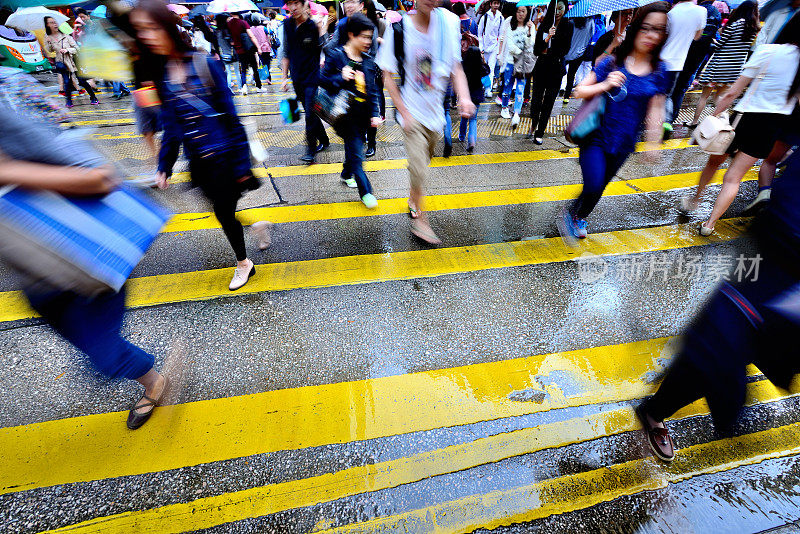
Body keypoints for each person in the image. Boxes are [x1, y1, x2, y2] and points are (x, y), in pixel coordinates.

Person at [0, 66, 168, 431]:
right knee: (93, 351)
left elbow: (99, 177)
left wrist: (9, 173)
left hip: (83, 251)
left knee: (103, 358)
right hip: (35, 268)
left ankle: (154, 379)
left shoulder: (7, 97)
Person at [637, 156, 800, 462]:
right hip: (779, 250)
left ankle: (670, 392)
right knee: (721, 346)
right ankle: (656, 408)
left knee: (736, 347)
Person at [132, 0, 271, 291]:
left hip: (225, 157)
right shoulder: (163, 75)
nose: (145, 36)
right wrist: (164, 166)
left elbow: (232, 119)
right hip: (199, 161)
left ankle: (244, 264)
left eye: (150, 28)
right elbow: (171, 126)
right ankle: (256, 227)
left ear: (167, 28)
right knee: (222, 209)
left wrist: (242, 166)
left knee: (222, 211)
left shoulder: (205, 63)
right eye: (140, 31)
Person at [558, 2, 670, 245]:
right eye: (647, 28)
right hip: (596, 135)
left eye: (659, 30)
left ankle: (579, 215)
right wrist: (606, 84)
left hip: (624, 143)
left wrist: (654, 142)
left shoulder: (659, 71)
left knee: (599, 189)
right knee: (594, 182)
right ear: (636, 28)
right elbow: (579, 91)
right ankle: (570, 212)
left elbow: (657, 109)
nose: (652, 35)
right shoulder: (613, 62)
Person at [680, 25, 800, 236]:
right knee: (734, 178)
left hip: (745, 118)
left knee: (713, 163)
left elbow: (732, 92)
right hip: (772, 127)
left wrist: (715, 115)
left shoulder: (769, 51)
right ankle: (709, 224)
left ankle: (695, 200)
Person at [377, 0, 475, 244]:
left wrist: (464, 97)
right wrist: (403, 111)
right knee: (419, 168)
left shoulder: (449, 23)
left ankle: (413, 198)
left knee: (424, 162)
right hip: (412, 114)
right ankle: (420, 220)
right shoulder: (399, 27)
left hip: (436, 116)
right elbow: (387, 76)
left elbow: (456, 68)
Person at [320, 14, 382, 208]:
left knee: (354, 149)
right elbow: (322, 81)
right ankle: (366, 192)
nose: (367, 41)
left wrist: (375, 112)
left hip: (362, 115)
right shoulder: (337, 55)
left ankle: (346, 173)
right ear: (351, 35)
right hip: (345, 116)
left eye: (369, 37)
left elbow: (372, 90)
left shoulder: (368, 61)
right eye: (363, 36)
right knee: (357, 153)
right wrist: (340, 77)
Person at [686, 1, 759, 127]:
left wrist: (716, 37)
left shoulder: (734, 25)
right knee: (720, 97)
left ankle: (694, 122)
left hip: (719, 66)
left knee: (704, 96)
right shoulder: (753, 28)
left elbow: (720, 44)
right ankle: (717, 123)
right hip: (734, 68)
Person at [280, 0, 331, 164]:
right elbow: (286, 52)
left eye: (296, 3)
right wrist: (283, 78)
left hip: (312, 77)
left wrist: (322, 28)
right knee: (310, 110)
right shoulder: (287, 24)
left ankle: (310, 149)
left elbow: (326, 48)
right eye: (290, 3)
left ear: (304, 5)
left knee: (309, 112)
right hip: (297, 77)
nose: (293, 7)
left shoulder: (312, 26)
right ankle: (324, 138)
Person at [527, 0, 573, 145]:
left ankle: (539, 132)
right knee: (536, 102)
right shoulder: (544, 25)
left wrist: (555, 40)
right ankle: (534, 121)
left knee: (549, 102)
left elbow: (565, 50)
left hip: (556, 68)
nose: (558, 12)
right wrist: (547, 37)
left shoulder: (568, 26)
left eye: (561, 9)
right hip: (541, 67)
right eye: (556, 9)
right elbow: (536, 50)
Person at [668, 0, 721, 121]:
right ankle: (671, 119)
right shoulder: (714, 13)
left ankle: (665, 116)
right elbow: (705, 35)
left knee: (670, 88)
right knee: (681, 88)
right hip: (697, 57)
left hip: (682, 54)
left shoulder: (691, 10)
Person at [660, 0, 706, 129]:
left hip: (661, 59)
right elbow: (697, 36)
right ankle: (667, 121)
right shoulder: (701, 11)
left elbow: (664, 36)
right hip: (677, 62)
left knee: (654, 92)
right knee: (668, 95)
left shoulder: (672, 12)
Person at [44, 16, 98, 108]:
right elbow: (49, 50)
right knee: (66, 81)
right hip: (62, 62)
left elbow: (76, 48)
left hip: (73, 60)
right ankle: (69, 100)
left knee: (81, 80)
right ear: (47, 25)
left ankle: (93, 97)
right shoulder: (48, 37)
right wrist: (48, 42)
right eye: (51, 22)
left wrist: (67, 50)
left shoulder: (66, 36)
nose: (55, 24)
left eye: (55, 22)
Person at [499, 5, 535, 128]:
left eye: (523, 11)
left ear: (527, 13)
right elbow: (509, 44)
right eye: (518, 11)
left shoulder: (531, 25)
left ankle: (516, 113)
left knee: (520, 88)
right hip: (511, 61)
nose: (520, 14)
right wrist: (521, 53)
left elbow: (530, 44)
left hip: (523, 63)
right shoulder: (510, 25)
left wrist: (530, 31)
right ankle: (504, 108)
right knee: (507, 86)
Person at [365, 0, 387, 158]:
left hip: (372, 68)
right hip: (352, 72)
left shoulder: (377, 25)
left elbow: (373, 52)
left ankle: (371, 142)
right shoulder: (345, 24)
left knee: (375, 98)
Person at [459, 33, 486, 152]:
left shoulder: (464, 67)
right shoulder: (480, 67)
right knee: (473, 119)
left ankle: (461, 136)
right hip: (477, 95)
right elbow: (487, 70)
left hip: (466, 95)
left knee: (464, 118)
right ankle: (472, 141)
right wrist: (483, 60)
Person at [563, 16, 595, 105]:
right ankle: (566, 97)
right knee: (571, 75)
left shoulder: (572, 22)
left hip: (567, 53)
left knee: (560, 72)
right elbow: (591, 35)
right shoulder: (591, 22)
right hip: (580, 53)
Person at [227, 12, 262, 95]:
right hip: (248, 49)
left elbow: (230, 39)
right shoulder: (243, 22)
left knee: (243, 69)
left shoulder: (229, 24)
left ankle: (244, 87)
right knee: (254, 68)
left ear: (231, 13)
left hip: (238, 50)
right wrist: (258, 47)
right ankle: (258, 87)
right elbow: (251, 36)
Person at [477, 0, 503, 99]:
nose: (496, 5)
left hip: (494, 47)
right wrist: (481, 48)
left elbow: (501, 35)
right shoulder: (485, 17)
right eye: (494, 3)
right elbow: (480, 33)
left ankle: (488, 89)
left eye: (498, 3)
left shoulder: (500, 18)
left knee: (491, 68)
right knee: (482, 69)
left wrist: (499, 49)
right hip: (484, 47)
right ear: (491, 4)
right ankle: (481, 88)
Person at [215, 14, 239, 89]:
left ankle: (229, 88)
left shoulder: (216, 31)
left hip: (224, 54)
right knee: (237, 72)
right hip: (232, 53)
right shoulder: (226, 30)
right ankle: (240, 88)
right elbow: (232, 42)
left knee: (229, 72)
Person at [249, 18, 273, 84]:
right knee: (267, 63)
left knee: (258, 64)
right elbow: (269, 34)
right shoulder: (263, 28)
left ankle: (255, 78)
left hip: (257, 48)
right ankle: (268, 78)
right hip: (266, 48)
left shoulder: (250, 29)